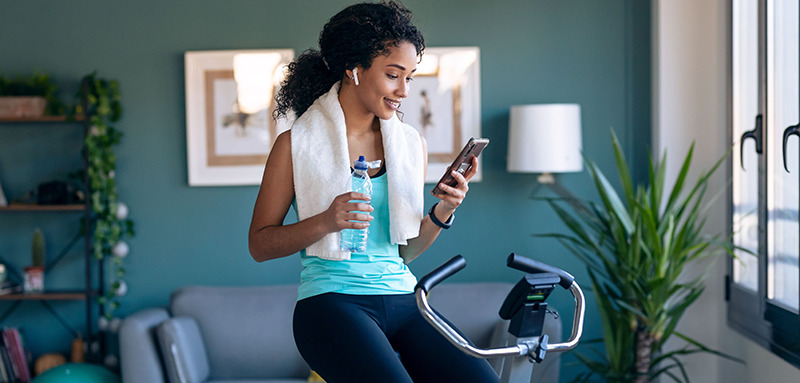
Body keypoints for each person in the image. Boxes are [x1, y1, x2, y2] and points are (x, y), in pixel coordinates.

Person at [248, 2, 497, 382]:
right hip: (331, 303)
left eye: (410, 77)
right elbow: (260, 245)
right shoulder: (295, 145)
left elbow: (406, 251)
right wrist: (326, 221)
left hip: (405, 298)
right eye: (393, 75)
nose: (404, 91)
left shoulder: (410, 145)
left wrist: (443, 209)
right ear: (354, 70)